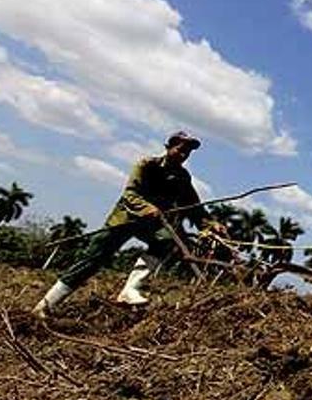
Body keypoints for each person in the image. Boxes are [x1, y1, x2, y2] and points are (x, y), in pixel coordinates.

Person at [32, 131, 222, 317]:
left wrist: (210, 224)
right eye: (180, 149)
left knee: (166, 240)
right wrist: (148, 208)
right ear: (169, 147)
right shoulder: (147, 165)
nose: (183, 155)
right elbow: (130, 194)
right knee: (91, 261)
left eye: (187, 152)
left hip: (151, 224)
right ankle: (45, 306)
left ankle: (131, 289)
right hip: (124, 219)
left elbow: (193, 206)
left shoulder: (182, 177)